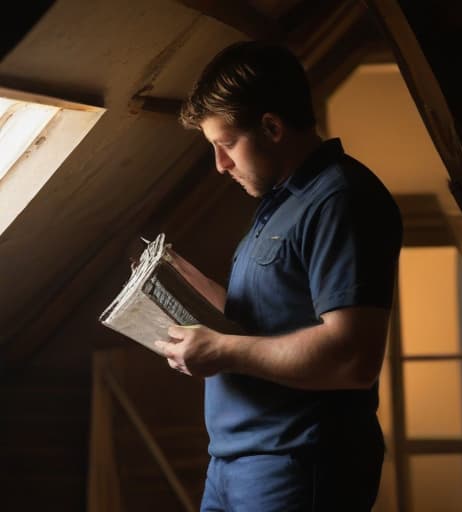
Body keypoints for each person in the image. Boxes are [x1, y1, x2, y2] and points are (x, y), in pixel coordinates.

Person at [154, 41, 403, 511]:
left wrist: (221, 350)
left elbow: (353, 357)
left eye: (226, 145)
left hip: (295, 465)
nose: (220, 165)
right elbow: (265, 320)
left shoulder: (341, 201)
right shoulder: (280, 203)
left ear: (271, 127)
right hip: (233, 464)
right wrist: (178, 280)